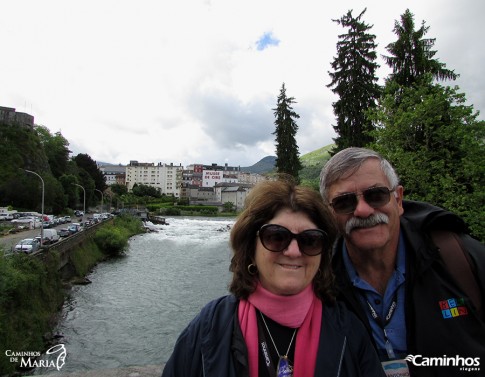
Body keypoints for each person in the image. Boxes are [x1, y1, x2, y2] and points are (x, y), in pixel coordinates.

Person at [162, 179, 385, 377]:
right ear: (251, 247)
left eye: (310, 240)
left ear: (322, 254)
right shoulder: (210, 325)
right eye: (277, 237)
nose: (293, 251)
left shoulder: (349, 331)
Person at [319, 147, 485, 377]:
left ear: (398, 199)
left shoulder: (458, 258)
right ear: (330, 213)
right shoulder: (319, 282)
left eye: (376, 195)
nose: (363, 210)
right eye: (344, 203)